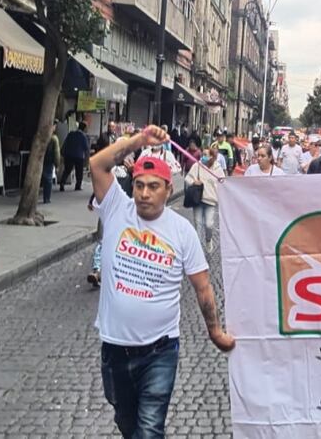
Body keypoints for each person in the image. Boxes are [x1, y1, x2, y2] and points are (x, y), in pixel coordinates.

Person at [89, 124, 234, 438]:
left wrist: (215, 331)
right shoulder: (117, 208)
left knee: (150, 428)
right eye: (139, 185)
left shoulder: (181, 231)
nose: (144, 193)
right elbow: (97, 164)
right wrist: (139, 141)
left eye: (153, 186)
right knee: (127, 423)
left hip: (160, 351)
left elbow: (203, 286)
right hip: (114, 348)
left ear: (169, 190)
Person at [186, 143, 224, 254]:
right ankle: (197, 250)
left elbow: (223, 183)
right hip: (198, 200)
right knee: (198, 225)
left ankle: (208, 240)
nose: (203, 157)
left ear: (212, 156)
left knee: (209, 225)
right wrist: (194, 181)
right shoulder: (197, 166)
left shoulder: (217, 168)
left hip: (211, 201)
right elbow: (188, 178)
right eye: (202, 154)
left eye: (206, 155)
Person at [60, 121, 90, 191]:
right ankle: (78, 186)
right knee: (79, 172)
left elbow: (65, 143)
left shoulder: (71, 134)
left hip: (69, 155)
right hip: (79, 156)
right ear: (84, 128)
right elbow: (86, 147)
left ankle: (62, 183)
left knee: (67, 170)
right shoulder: (83, 136)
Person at [41, 124, 61, 204]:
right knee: (48, 179)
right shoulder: (54, 139)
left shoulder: (41, 136)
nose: (55, 128)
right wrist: (57, 164)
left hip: (41, 160)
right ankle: (46, 198)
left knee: (43, 178)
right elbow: (56, 153)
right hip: (49, 161)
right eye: (54, 126)